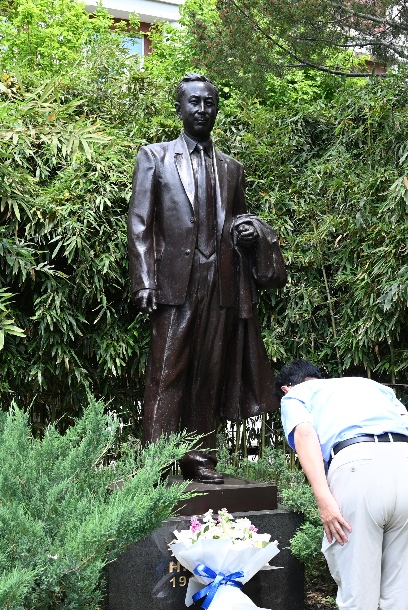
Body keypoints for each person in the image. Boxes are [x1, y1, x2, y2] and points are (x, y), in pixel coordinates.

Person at [127, 73, 281, 484]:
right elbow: (140, 224)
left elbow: (239, 217)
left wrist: (248, 232)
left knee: (209, 373)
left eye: (208, 103)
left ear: (216, 109)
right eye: (194, 102)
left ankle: (198, 457)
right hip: (175, 282)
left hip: (222, 282)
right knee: (166, 371)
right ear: (179, 108)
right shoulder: (155, 157)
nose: (201, 110)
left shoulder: (232, 168)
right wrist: (144, 281)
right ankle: (156, 461)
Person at [276, 360, 408, 610]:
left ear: (286, 388)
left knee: (358, 593)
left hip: (357, 469)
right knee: (400, 594)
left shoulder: (296, 396)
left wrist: (323, 499)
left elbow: (305, 435)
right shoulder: (372, 386)